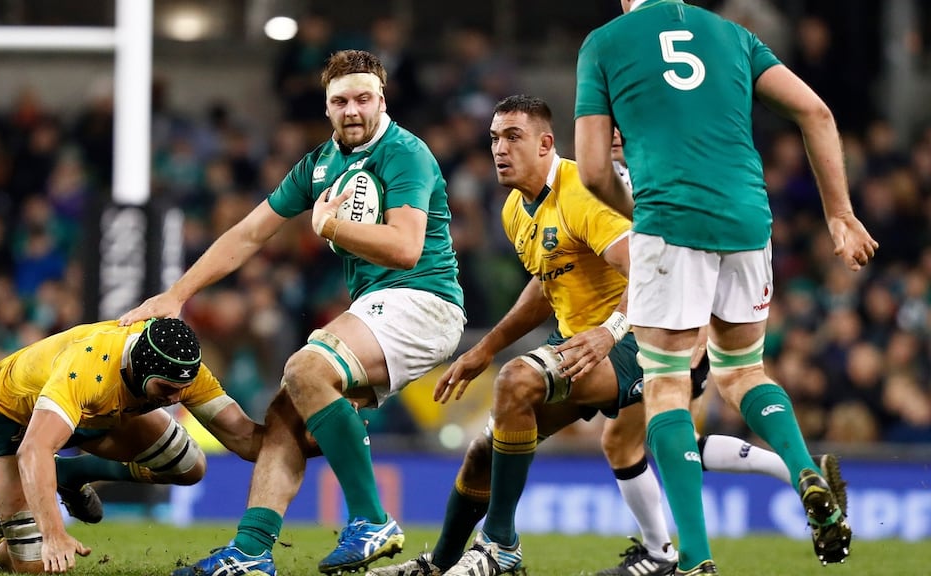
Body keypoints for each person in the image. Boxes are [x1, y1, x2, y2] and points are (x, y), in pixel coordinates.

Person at [365, 96, 843, 576]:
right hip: (584, 345)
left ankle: (503, 546)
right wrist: (483, 348)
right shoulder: (515, 209)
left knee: (531, 389)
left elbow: (645, 270)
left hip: (637, 339)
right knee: (486, 452)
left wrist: (609, 333)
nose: (499, 149)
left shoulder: (584, 193)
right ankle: (440, 564)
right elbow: (546, 284)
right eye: (494, 138)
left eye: (513, 137)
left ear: (546, 143)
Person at [119, 49, 466, 576]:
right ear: (326, 107)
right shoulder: (319, 165)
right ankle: (252, 553)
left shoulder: (405, 153)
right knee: (286, 412)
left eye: (364, 98)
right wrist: (176, 295)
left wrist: (330, 228)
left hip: (425, 301)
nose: (353, 110)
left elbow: (405, 248)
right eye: (340, 100)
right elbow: (248, 234)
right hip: (380, 307)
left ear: (382, 100)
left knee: (306, 366)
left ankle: (371, 519)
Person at [573, 2, 878, 574]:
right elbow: (815, 111)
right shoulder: (735, 36)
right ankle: (801, 468)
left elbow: (591, 171)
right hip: (747, 219)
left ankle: (695, 558)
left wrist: (641, 216)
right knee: (742, 371)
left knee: (665, 386)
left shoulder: (606, 42)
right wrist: (839, 213)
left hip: (668, 218)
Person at [0, 317, 262, 574]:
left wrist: (302, 438)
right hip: (13, 414)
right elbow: (33, 449)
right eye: (166, 389)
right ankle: (2, 539)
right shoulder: (87, 369)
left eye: (182, 389)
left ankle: (67, 473)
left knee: (190, 467)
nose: (176, 399)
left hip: (93, 411)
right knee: (36, 566)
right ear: (141, 370)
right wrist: (54, 533)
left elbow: (244, 437)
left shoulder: (179, 367)